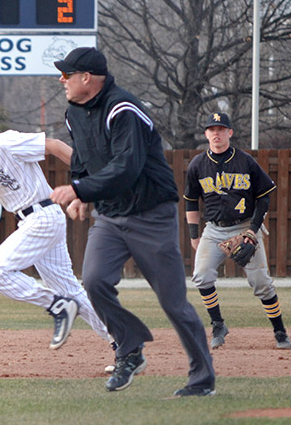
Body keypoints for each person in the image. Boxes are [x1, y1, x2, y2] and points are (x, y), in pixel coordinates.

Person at [48, 47, 217, 397]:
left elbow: (127, 168)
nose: (61, 80)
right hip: (110, 216)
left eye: (67, 75)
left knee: (173, 303)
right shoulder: (73, 112)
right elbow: (82, 160)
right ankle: (130, 348)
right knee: (93, 282)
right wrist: (82, 194)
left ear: (87, 79)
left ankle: (202, 379)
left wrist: (78, 189)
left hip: (151, 215)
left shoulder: (124, 109)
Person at [0, 100, 114, 355]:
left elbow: (54, 146)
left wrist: (87, 182)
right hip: (34, 219)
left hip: (43, 215)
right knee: (71, 291)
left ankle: (57, 305)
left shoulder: (3, 142)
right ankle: (123, 342)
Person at [184, 112, 291, 350]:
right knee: (201, 276)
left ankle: (280, 331)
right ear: (206, 135)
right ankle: (218, 324)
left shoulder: (245, 161)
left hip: (244, 226)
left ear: (230, 133)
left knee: (261, 282)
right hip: (214, 229)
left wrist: (253, 230)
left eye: (221, 129)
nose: (216, 134)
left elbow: (264, 197)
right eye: (212, 130)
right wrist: (194, 235)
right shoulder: (197, 165)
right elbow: (191, 201)